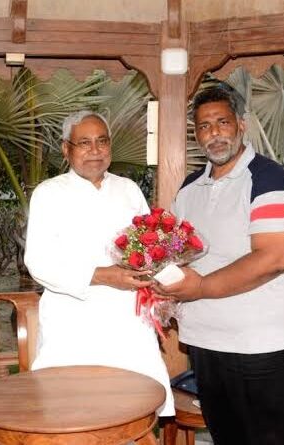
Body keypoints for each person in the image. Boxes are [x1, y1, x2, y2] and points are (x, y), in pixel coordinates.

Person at [157, 83, 284, 444]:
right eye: (204, 126)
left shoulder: (269, 179)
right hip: (205, 343)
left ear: (241, 124)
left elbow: (276, 257)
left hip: (261, 346)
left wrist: (200, 287)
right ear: (196, 135)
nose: (214, 133)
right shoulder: (189, 188)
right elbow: (178, 253)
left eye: (222, 122)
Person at [23, 110, 174, 416]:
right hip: (72, 326)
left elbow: (150, 247)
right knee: (71, 416)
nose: (95, 150)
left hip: (128, 325)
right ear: (66, 149)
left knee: (134, 413)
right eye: (84, 143)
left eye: (102, 141)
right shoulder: (48, 194)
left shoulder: (128, 189)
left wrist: (160, 279)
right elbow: (38, 262)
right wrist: (103, 276)